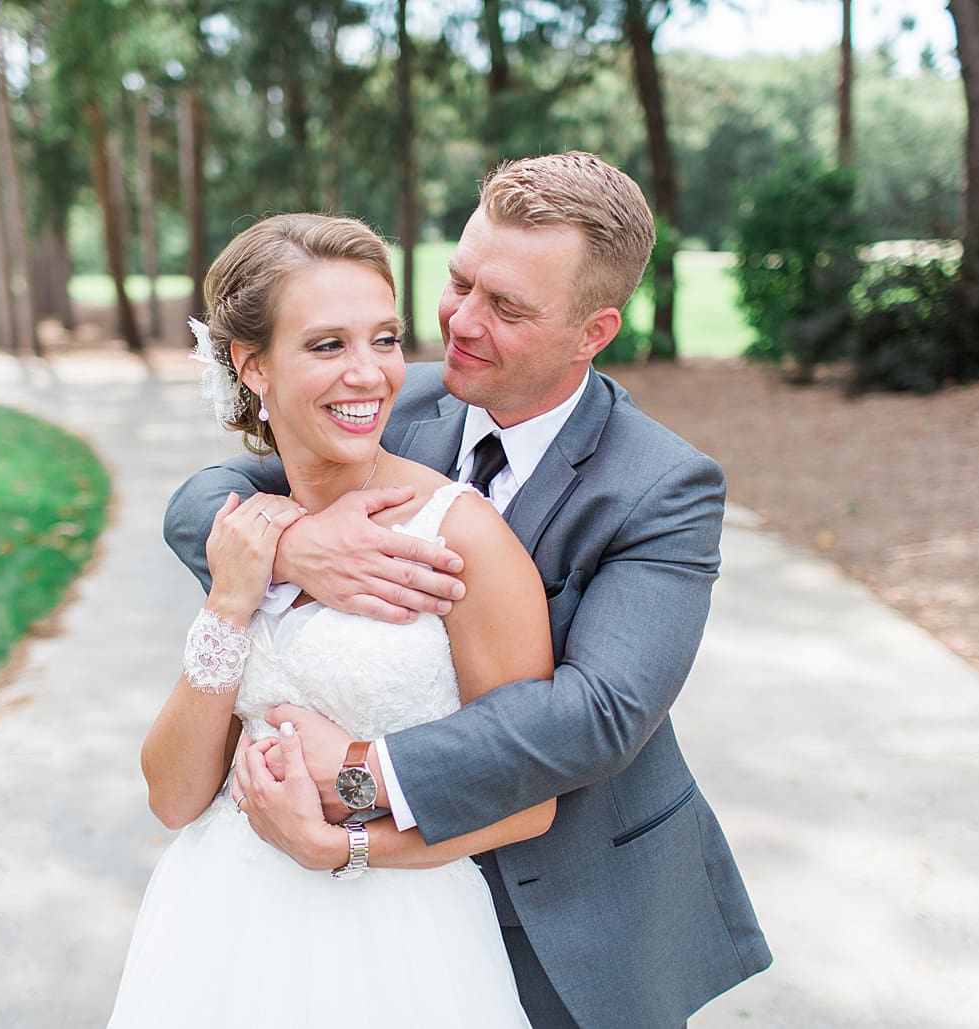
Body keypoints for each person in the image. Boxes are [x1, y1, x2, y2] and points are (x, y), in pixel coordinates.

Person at [164, 152, 771, 1028]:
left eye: (508, 307)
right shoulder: (397, 399)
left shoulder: (661, 485)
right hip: (352, 925)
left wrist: (361, 779)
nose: (461, 322)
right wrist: (296, 546)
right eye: (458, 282)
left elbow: (598, 711)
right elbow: (202, 498)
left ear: (591, 331)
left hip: (569, 904)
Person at [107, 213, 560, 1028]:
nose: (370, 374)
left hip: (399, 952)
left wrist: (343, 830)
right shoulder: (249, 534)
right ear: (252, 364)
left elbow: (527, 801)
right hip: (214, 933)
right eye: (326, 345)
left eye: (384, 340)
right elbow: (175, 797)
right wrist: (229, 600)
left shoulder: (459, 540)